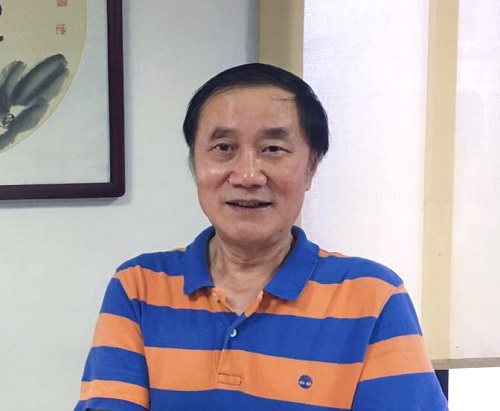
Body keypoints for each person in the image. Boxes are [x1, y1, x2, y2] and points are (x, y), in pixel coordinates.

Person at [75, 63, 448, 411]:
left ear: (311, 166)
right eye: (224, 148)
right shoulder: (138, 288)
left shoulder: (373, 297)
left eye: (273, 149)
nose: (248, 176)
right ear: (194, 162)